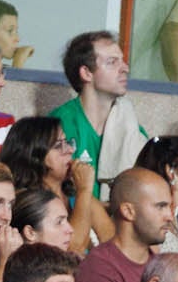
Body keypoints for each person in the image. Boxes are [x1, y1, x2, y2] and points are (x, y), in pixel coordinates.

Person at [53, 31, 148, 200]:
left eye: (123, 61)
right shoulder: (60, 124)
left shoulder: (132, 128)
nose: (125, 68)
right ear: (87, 73)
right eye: (112, 62)